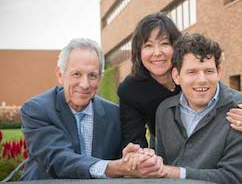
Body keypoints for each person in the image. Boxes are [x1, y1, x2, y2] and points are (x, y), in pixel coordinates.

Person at [117, 12, 242, 149]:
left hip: (212, 145)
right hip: (167, 151)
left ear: (177, 46)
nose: (157, 53)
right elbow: (134, 137)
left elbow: (226, 102)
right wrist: (138, 157)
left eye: (165, 43)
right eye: (148, 46)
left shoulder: (191, 72)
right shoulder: (130, 90)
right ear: (138, 51)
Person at [20, 38, 164, 180]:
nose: (84, 84)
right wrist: (112, 168)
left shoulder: (115, 115)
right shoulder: (37, 110)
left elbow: (125, 159)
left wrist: (134, 157)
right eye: (76, 74)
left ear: (100, 78)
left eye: (92, 75)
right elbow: (58, 159)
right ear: (60, 74)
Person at [155, 33, 242, 183]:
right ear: (176, 76)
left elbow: (235, 177)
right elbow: (159, 165)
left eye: (209, 71)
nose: (202, 80)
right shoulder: (164, 111)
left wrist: (176, 173)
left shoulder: (241, 107)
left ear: (219, 73)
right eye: (192, 72)